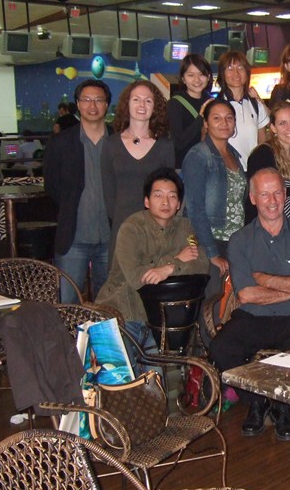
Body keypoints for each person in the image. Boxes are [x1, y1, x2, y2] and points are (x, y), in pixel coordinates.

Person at [208, 168, 290, 440]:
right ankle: (258, 401)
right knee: (221, 348)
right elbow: (246, 295)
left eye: (276, 193)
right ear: (252, 198)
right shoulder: (239, 241)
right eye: (264, 194)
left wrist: (266, 280)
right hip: (253, 315)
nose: (271, 200)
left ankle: (283, 408)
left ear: (285, 195)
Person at [96, 168, 209, 357]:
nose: (166, 202)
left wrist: (168, 268)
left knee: (155, 379)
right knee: (124, 378)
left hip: (161, 316)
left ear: (179, 203)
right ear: (146, 202)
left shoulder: (185, 227)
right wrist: (175, 260)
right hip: (123, 312)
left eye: (172, 196)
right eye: (158, 195)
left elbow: (202, 263)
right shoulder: (131, 228)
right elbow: (136, 278)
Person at [44, 79, 113, 302]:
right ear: (77, 103)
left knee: (110, 304)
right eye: (86, 100)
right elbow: (52, 186)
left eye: (99, 100)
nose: (92, 105)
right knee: (68, 303)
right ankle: (71, 339)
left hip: (112, 238)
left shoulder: (120, 141)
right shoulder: (60, 142)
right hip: (73, 237)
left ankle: (103, 340)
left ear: (107, 104)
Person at [181, 99, 247, 314]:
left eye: (229, 118)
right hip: (211, 239)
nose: (224, 123)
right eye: (216, 118)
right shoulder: (198, 155)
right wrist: (210, 252)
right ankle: (208, 347)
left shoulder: (235, 155)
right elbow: (195, 208)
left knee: (230, 302)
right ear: (206, 123)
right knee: (212, 303)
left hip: (234, 239)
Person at [101, 80, 175, 263]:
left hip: (156, 228)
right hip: (122, 226)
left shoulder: (165, 146)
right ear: (127, 104)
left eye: (148, 101)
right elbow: (108, 193)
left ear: (155, 107)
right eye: (136, 99)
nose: (142, 105)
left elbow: (170, 192)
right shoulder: (111, 144)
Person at [246, 101, 290, 223]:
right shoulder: (263, 155)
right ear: (273, 127)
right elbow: (258, 198)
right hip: (271, 229)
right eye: (282, 123)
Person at [216, 50, 269, 168]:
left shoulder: (255, 103)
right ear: (222, 74)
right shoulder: (216, 105)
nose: (236, 73)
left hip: (253, 169)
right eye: (229, 68)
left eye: (240, 67)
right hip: (228, 172)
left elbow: (262, 139)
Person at [167, 54, 213, 169]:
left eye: (201, 74)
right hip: (184, 167)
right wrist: (200, 118)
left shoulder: (212, 102)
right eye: (191, 75)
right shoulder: (175, 103)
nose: (197, 80)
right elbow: (178, 143)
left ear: (208, 76)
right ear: (183, 78)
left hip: (209, 166)